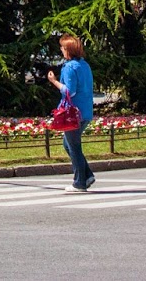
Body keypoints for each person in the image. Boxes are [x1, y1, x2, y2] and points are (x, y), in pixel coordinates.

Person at [47, 35, 95, 193]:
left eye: (62, 47)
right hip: (85, 111)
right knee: (69, 144)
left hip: (73, 113)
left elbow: (70, 91)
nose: (61, 50)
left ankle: (79, 182)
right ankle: (87, 175)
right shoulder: (84, 65)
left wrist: (54, 81)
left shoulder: (69, 67)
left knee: (73, 146)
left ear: (68, 50)